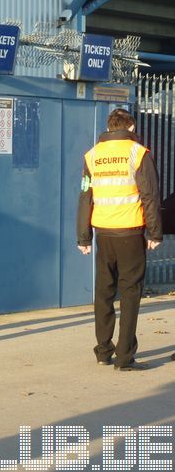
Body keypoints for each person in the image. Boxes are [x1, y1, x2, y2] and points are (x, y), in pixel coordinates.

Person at [77, 108, 163, 371]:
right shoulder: (138, 153)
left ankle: (103, 351)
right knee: (130, 293)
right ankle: (124, 358)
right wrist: (154, 232)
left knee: (103, 291)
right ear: (131, 127)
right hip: (130, 232)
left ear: (109, 127)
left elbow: (85, 197)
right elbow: (150, 195)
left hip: (103, 233)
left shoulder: (92, 156)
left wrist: (84, 237)